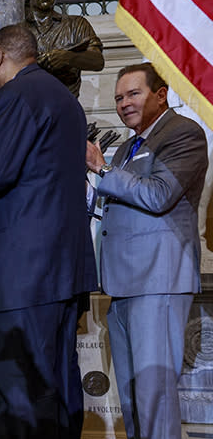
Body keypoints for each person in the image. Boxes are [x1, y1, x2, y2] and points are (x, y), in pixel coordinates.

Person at [0, 25, 95, 438]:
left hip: (20, 276)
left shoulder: (14, 97)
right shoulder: (65, 100)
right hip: (61, 271)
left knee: (18, 395)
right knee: (59, 387)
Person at [85, 63, 207, 439]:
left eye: (133, 93)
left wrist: (101, 168)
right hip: (122, 286)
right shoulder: (126, 146)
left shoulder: (183, 133)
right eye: (119, 97)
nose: (124, 104)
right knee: (135, 399)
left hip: (159, 280)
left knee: (155, 397)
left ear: (160, 93)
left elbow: (157, 195)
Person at [19, 0, 104, 97]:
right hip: (30, 110)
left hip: (66, 109)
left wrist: (68, 57)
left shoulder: (77, 24)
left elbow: (98, 61)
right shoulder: (18, 32)